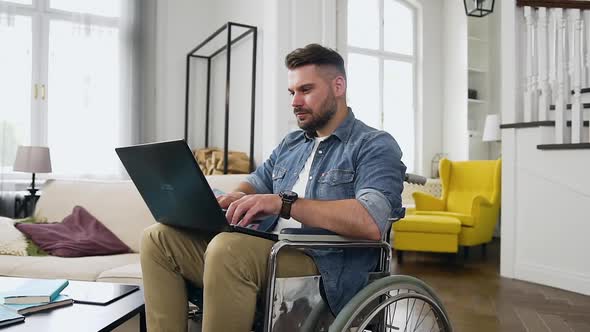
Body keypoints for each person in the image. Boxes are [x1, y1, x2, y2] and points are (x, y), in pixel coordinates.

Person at [140, 43, 406, 332]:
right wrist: (236, 197)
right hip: (269, 253)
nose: (295, 101)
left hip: (326, 269)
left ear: (338, 86)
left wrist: (285, 203)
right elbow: (256, 182)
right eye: (292, 92)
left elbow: (370, 221)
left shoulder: (374, 145)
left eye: (306, 90)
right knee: (158, 238)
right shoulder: (291, 144)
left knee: (229, 250)